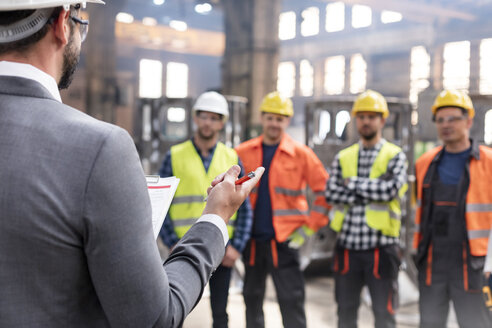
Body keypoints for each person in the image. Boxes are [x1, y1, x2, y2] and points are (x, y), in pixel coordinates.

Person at [0, 1, 264, 327]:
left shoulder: (228, 154)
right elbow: (153, 317)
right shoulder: (100, 148)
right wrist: (215, 218)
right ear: (62, 23)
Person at [235, 91, 330, 328]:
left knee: (291, 300)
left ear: (287, 121)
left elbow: (325, 191)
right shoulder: (243, 152)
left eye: (280, 118)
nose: (274, 123)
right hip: (253, 242)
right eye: (270, 117)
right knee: (252, 299)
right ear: (262, 118)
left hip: (286, 241)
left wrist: (308, 228)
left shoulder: (301, 154)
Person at [158, 91, 253, 328]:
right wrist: (171, 243)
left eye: (214, 117)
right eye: (204, 116)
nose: (208, 122)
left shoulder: (231, 157)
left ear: (222, 122)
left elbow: (245, 207)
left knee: (220, 314)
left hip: (221, 248)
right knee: (174, 311)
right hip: (184, 249)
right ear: (195, 118)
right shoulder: (174, 155)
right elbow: (162, 204)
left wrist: (236, 248)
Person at [325, 90, 408, 328]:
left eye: (372, 116)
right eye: (361, 116)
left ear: (382, 120)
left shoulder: (395, 156)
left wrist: (352, 184)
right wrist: (372, 188)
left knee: (384, 314)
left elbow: (390, 191)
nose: (366, 121)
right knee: (346, 313)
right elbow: (331, 192)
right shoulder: (343, 157)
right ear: (355, 120)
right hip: (347, 248)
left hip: (381, 250)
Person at [413, 89, 492, 328]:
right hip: (432, 261)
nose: (446, 125)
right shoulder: (424, 163)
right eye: (440, 120)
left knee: (476, 323)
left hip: (473, 265)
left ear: (469, 121)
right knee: (430, 322)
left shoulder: (489, 162)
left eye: (453, 118)